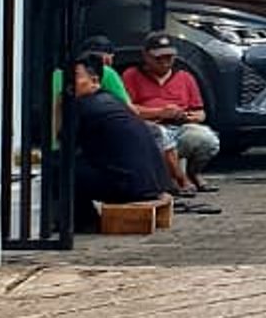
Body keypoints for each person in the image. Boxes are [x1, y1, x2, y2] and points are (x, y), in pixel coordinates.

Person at [68, 51, 173, 229]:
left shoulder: (85, 106)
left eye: (76, 78)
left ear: (94, 81)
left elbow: (66, 146)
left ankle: (83, 221)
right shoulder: (113, 101)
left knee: (60, 171)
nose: (68, 85)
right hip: (152, 183)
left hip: (129, 186)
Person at [122, 32, 223, 198]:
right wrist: (159, 112)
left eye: (169, 57)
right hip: (151, 128)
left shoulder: (185, 77)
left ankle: (193, 172)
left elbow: (200, 112)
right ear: (146, 56)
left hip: (179, 127)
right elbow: (127, 109)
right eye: (159, 58)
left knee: (206, 139)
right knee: (160, 135)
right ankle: (178, 180)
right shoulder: (131, 75)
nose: (165, 62)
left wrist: (187, 116)